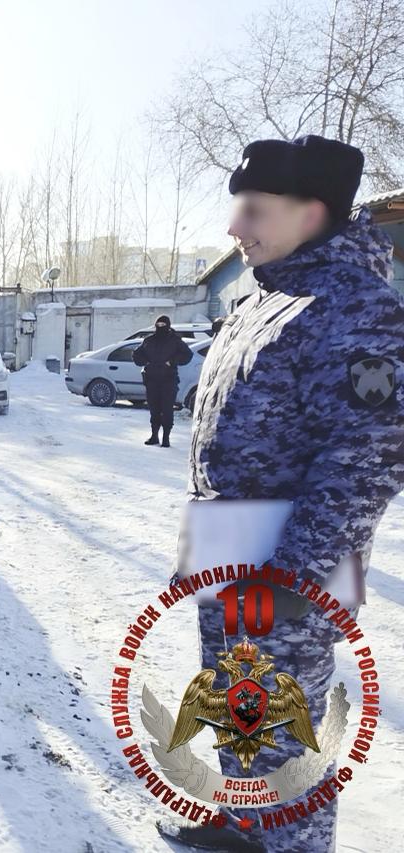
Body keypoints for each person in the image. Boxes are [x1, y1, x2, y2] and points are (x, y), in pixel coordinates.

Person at [159, 135, 404, 852]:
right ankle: (240, 822)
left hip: (292, 558)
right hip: (231, 544)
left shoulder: (357, 308)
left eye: (253, 210)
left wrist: (294, 574)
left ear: (312, 213)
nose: (235, 228)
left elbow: (367, 459)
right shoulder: (267, 297)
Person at [132, 315, 193, 447]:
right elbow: (136, 355)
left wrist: (172, 361)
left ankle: (166, 438)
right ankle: (154, 436)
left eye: (163, 325)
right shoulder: (149, 340)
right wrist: (146, 361)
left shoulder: (175, 340)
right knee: (154, 409)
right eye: (158, 325)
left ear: (168, 325)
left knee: (167, 409)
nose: (160, 327)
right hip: (152, 380)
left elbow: (187, 354)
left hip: (168, 380)